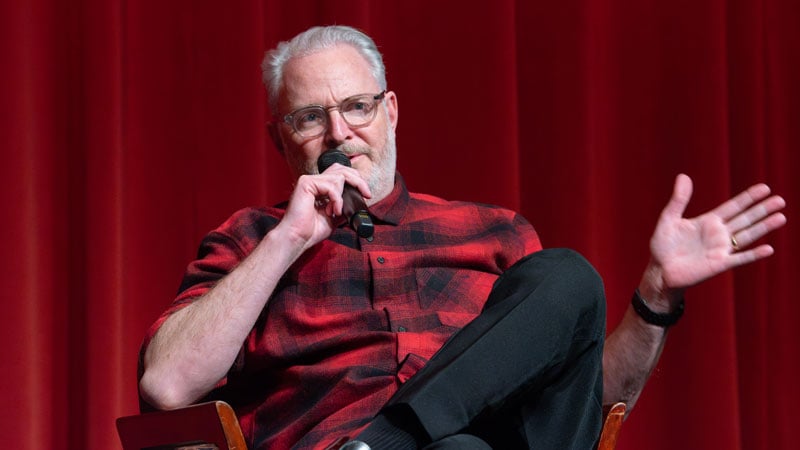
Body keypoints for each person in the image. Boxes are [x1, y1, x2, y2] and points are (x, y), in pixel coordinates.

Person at [138, 25, 787, 450]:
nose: (339, 133)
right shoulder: (251, 239)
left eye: (357, 107)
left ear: (390, 113)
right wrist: (288, 240)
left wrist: (656, 293)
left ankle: (380, 445)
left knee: (568, 276)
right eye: (310, 117)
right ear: (279, 140)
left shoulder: (493, 233)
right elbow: (166, 385)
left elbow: (581, 405)